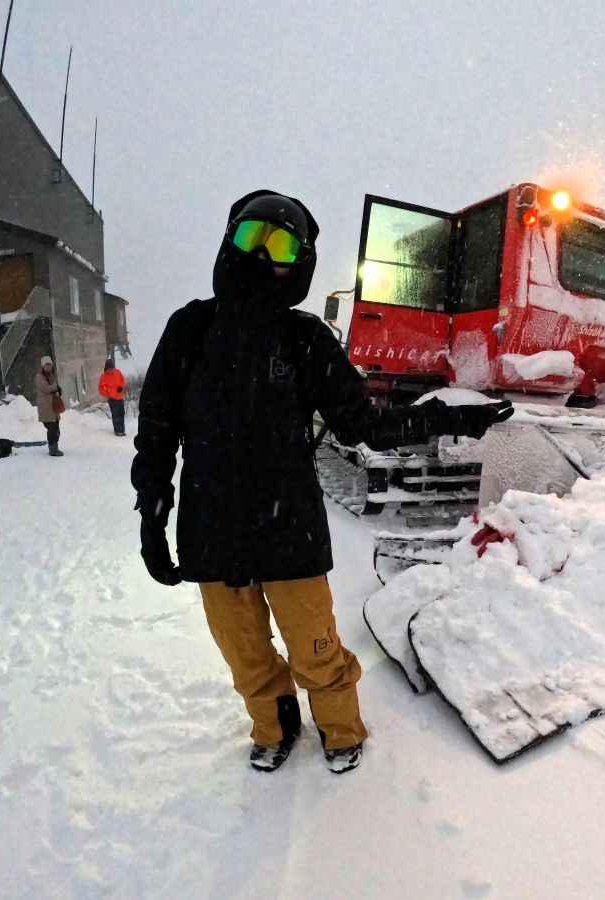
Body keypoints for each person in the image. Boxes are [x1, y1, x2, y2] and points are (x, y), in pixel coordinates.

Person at [131, 190, 512, 775]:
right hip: (211, 533)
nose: (260, 256)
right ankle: (274, 727)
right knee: (245, 655)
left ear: (300, 260)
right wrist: (152, 515)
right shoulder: (190, 329)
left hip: (290, 534)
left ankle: (340, 731)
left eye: (278, 244)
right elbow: (157, 431)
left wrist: (449, 414)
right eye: (249, 237)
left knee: (317, 652)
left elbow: (366, 424)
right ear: (228, 241)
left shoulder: (306, 339)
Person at [34, 356, 64, 457]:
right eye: (46, 365)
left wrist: (58, 390)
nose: (49, 367)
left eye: (50, 364)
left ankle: (54, 447)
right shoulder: (39, 377)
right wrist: (56, 387)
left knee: (56, 428)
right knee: (52, 429)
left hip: (53, 406)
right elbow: (45, 388)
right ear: (43, 366)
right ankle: (52, 449)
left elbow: (55, 386)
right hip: (45, 407)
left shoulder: (51, 375)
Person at [98, 359, 127, 436]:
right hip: (112, 399)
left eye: (112, 369)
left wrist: (121, 387)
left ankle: (122, 430)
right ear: (106, 368)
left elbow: (122, 380)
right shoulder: (103, 376)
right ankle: (117, 431)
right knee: (115, 415)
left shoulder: (117, 372)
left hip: (120, 397)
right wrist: (107, 395)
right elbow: (100, 388)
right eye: (109, 369)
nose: (111, 370)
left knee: (121, 414)